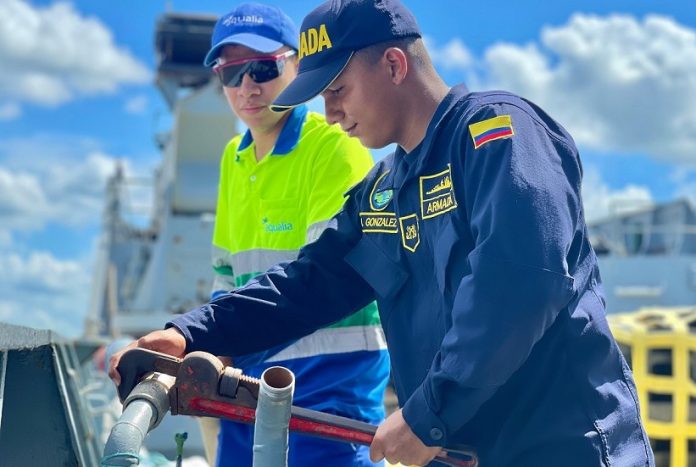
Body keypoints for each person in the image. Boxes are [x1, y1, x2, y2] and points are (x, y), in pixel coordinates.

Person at [111, 1, 655, 466]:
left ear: (394, 64)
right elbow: (309, 283)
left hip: (559, 449)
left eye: (338, 89)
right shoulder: (386, 192)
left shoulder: (496, 134)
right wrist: (191, 332)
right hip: (464, 452)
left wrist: (427, 413)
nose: (329, 112)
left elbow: (520, 282)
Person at [189, 3, 390, 466]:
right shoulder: (232, 159)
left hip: (331, 384)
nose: (247, 87)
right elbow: (225, 274)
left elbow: (322, 282)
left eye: (262, 67)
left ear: (296, 67)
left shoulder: (335, 146)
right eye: (230, 73)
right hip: (246, 381)